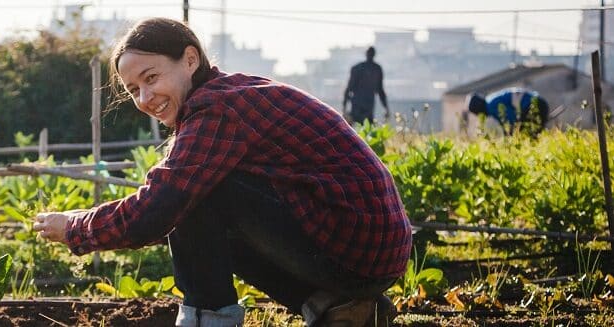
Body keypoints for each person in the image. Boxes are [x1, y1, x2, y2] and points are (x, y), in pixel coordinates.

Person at [32, 18, 412, 327]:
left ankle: (206, 321)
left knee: (193, 196)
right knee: (199, 195)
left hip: (358, 251)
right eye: (133, 90)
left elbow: (154, 212)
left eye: (152, 78)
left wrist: (76, 227)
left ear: (190, 60)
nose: (145, 99)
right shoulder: (227, 95)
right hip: (368, 253)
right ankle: (339, 307)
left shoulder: (218, 109)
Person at [467, 88, 550, 136]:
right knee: (531, 134)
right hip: (540, 103)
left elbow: (511, 120)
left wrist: (509, 134)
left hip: (535, 106)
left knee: (527, 135)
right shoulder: (491, 99)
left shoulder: (490, 107)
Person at [343, 47, 390, 125]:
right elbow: (349, 89)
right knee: (360, 128)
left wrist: (386, 108)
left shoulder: (376, 69)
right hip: (358, 104)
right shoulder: (372, 69)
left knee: (364, 128)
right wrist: (344, 107)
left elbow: (380, 90)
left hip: (366, 105)